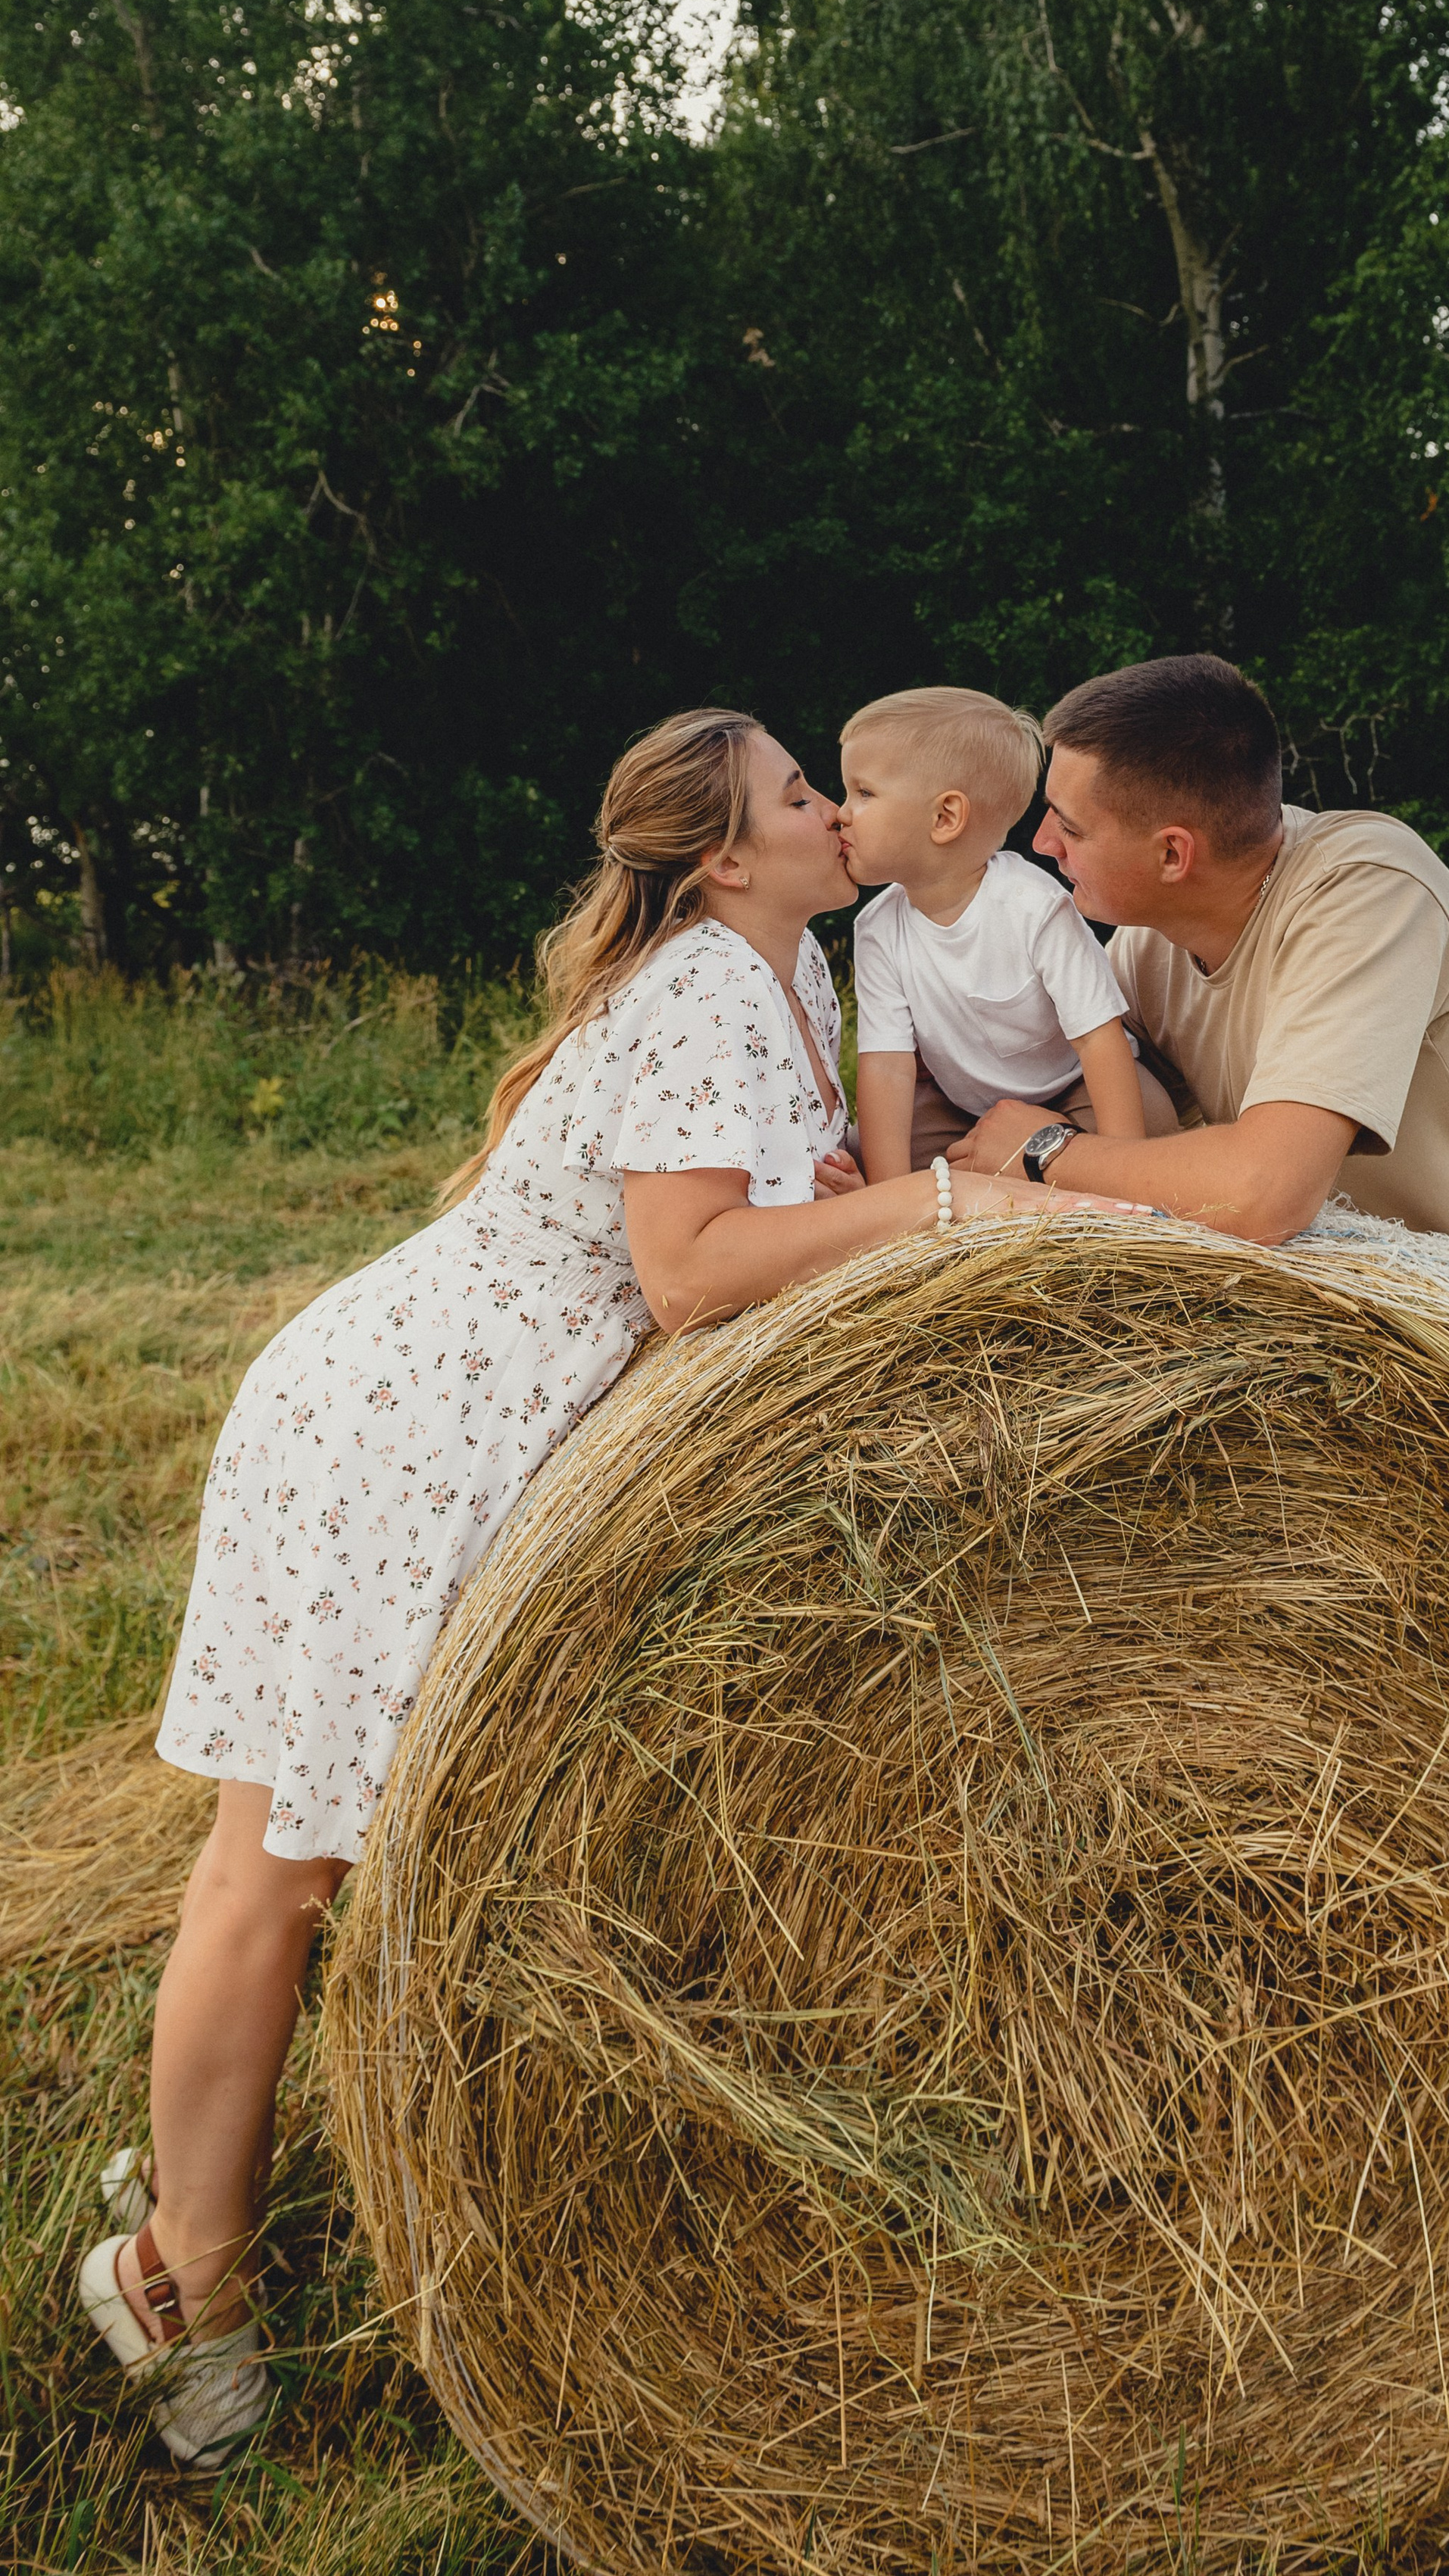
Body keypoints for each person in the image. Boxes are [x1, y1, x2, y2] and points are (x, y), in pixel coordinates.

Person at [80, 708, 1137, 2470]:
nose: (827, 810)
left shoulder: (786, 979)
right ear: (728, 853)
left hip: (440, 1416)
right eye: (799, 794)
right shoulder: (720, 983)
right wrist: (939, 1208)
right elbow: (690, 1263)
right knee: (279, 1868)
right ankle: (180, 2271)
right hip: (403, 1429)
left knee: (311, 1858)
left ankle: (200, 2202)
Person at [948, 653, 1449, 1426]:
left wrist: (1048, 1148)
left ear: (1172, 852)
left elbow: (1265, 1192)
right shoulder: (1151, 940)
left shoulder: (1370, 889)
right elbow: (1074, 1097)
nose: (1040, 846)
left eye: (1069, 826)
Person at [838, 685, 1177, 1177]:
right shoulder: (876, 928)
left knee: (1151, 1124)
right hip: (965, 1106)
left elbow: (1098, 1040)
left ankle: (1061, 1174)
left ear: (944, 817)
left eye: (863, 792)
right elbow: (888, 1067)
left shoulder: (1035, 908)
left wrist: (1119, 1167)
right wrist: (888, 1196)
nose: (840, 812)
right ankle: (985, 1179)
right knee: (867, 1151)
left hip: (1074, 1084)